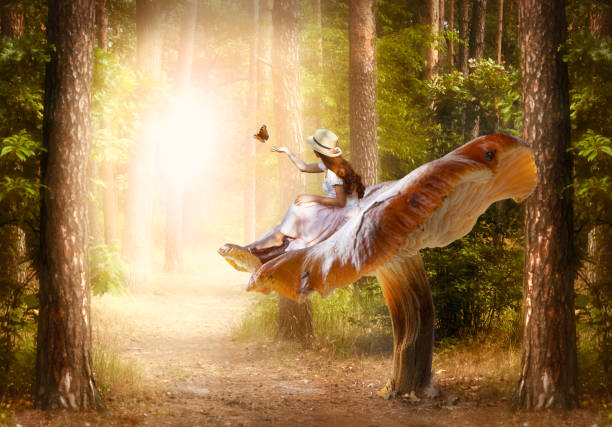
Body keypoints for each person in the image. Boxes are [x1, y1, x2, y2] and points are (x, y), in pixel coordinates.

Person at [219, 128, 365, 269]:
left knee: (301, 204)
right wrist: (288, 152)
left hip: (342, 213)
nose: (312, 150)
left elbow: (340, 202)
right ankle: (258, 245)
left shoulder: (334, 172)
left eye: (314, 147)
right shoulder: (330, 165)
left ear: (319, 152)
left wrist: (312, 197)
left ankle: (269, 242)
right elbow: (305, 167)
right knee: (300, 203)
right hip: (337, 208)